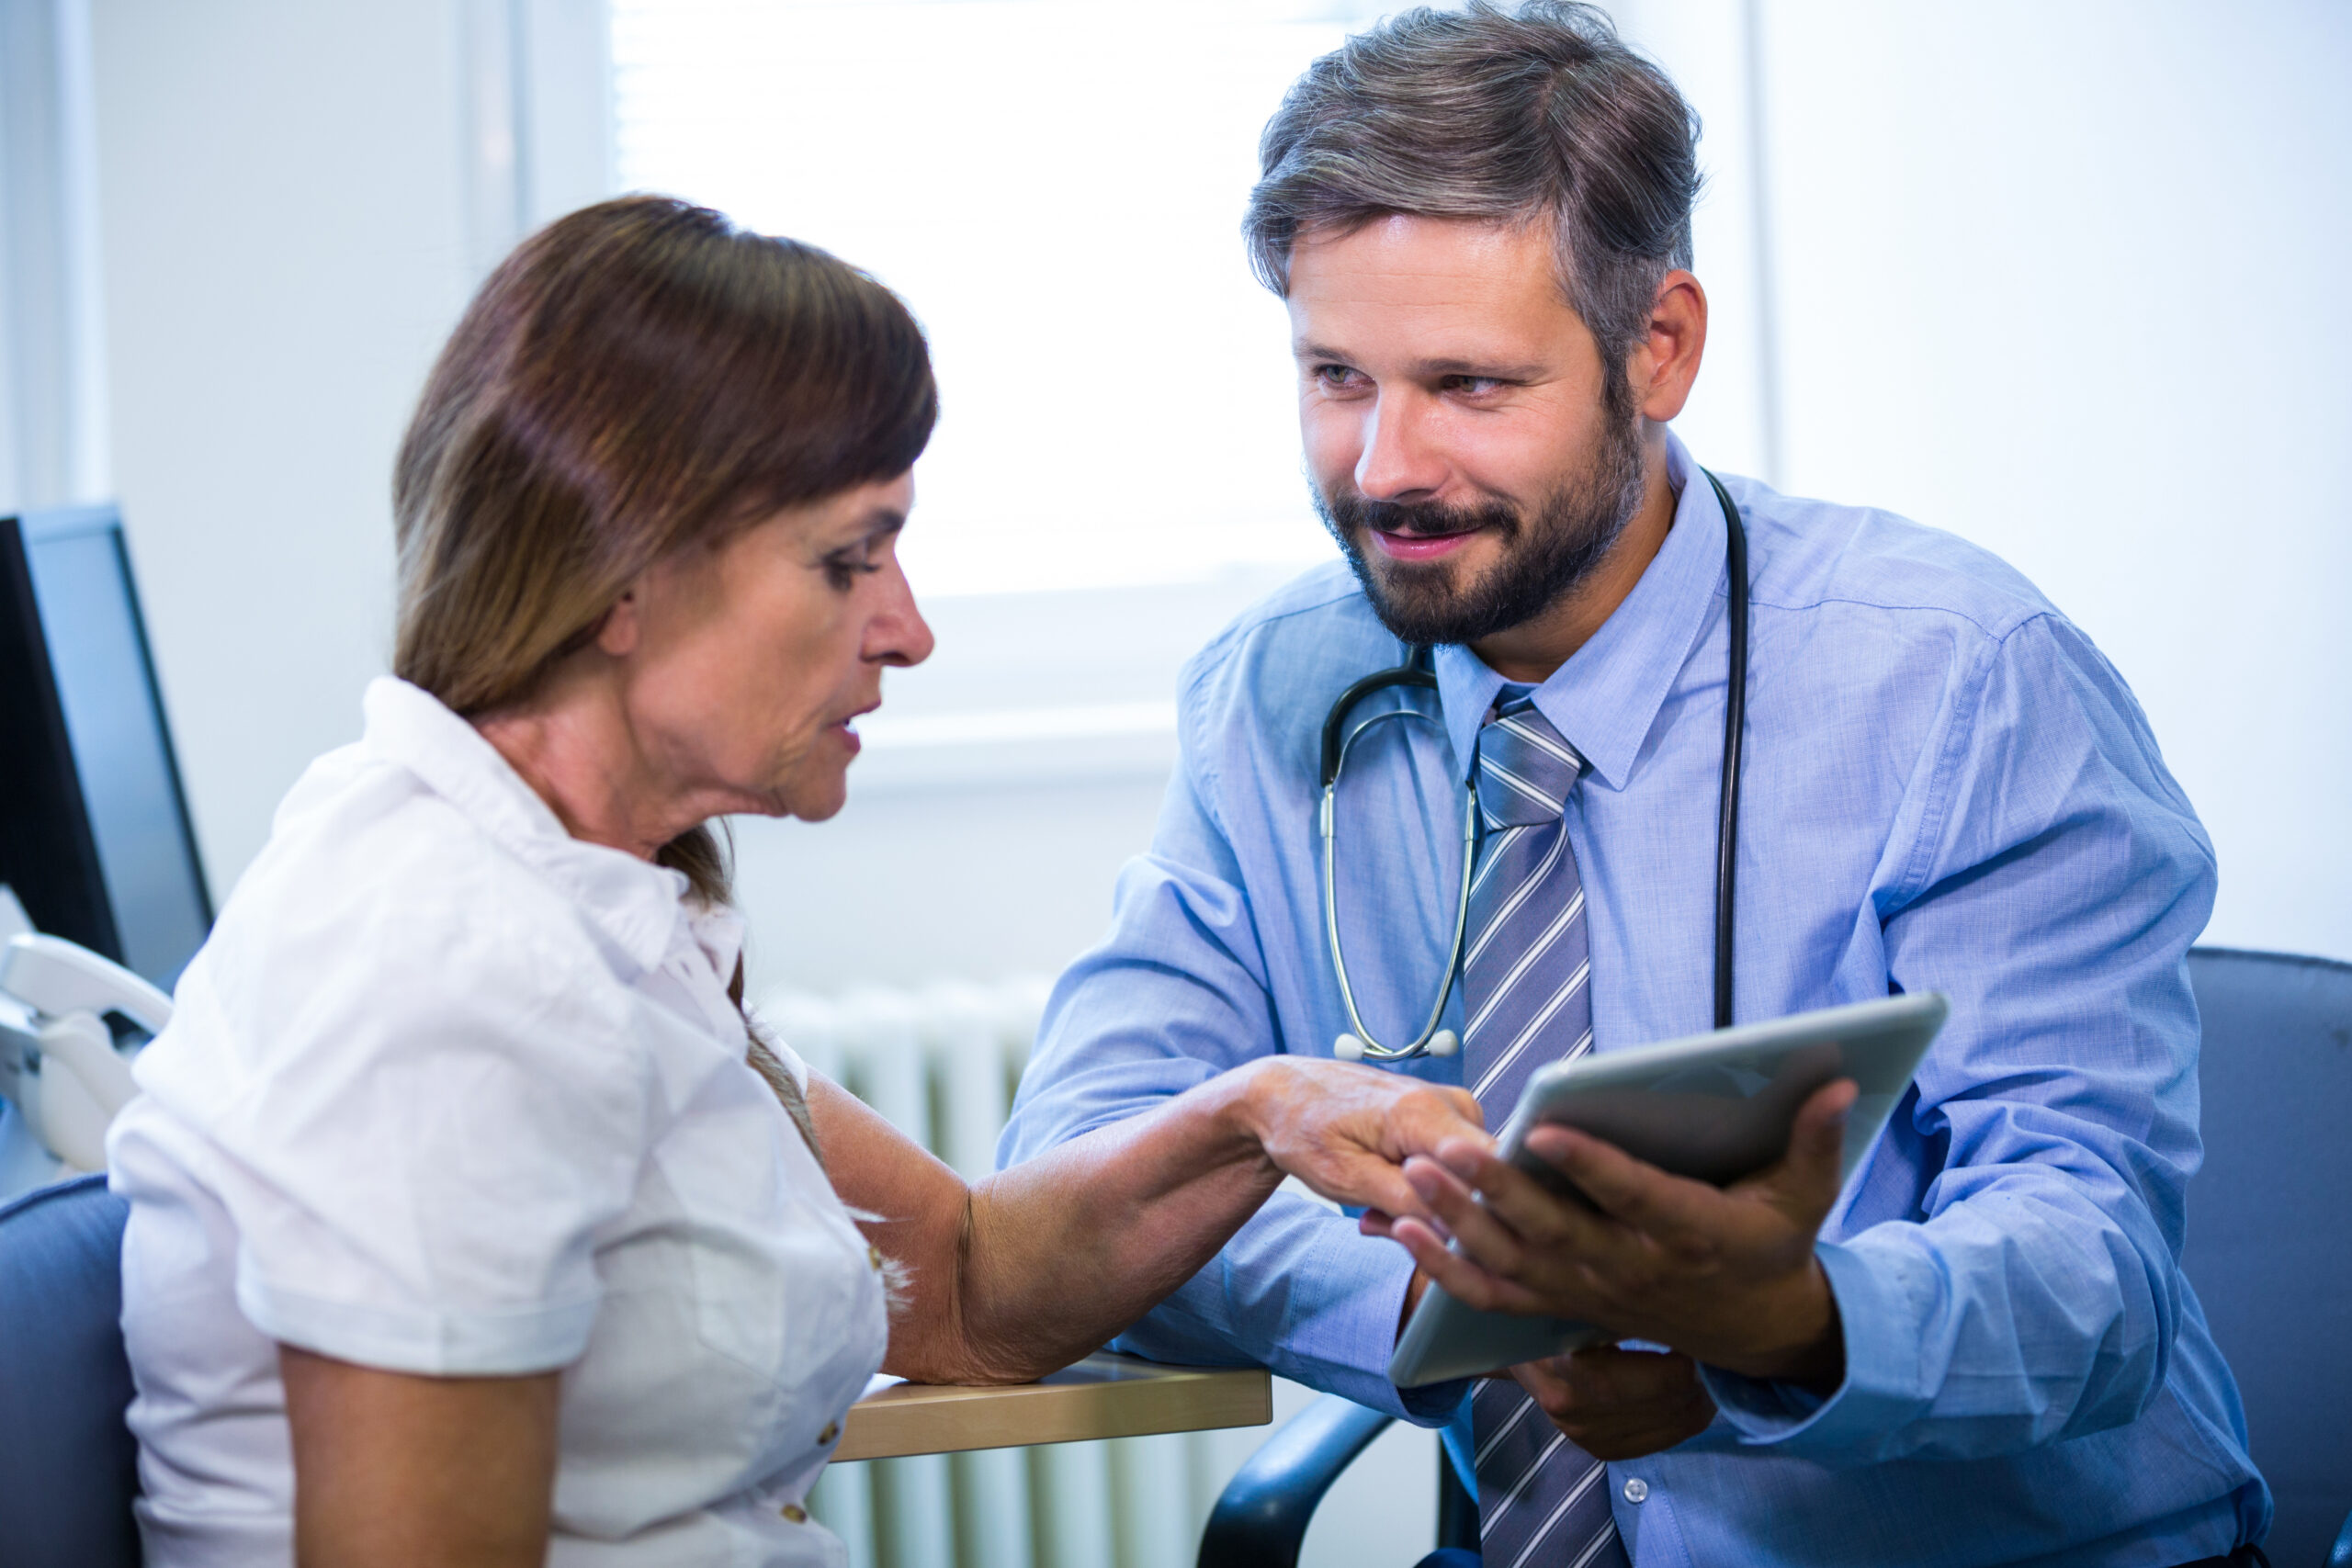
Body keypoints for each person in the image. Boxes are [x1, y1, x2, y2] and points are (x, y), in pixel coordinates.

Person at [1000, 5, 2269, 1564]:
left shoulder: (1959, 678)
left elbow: (2099, 1272)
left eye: (1469, 386)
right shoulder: (1276, 694)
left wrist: (1795, 1323)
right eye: (1337, 374)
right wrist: (1442, 1295)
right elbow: (1083, 1180)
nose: (1384, 465)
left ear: (1656, 349)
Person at [103, 195, 1487, 1568]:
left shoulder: (592, 905)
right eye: (848, 559)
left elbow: (964, 1288)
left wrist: (1257, 1113)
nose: (909, 629)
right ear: (617, 579)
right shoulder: (450, 979)